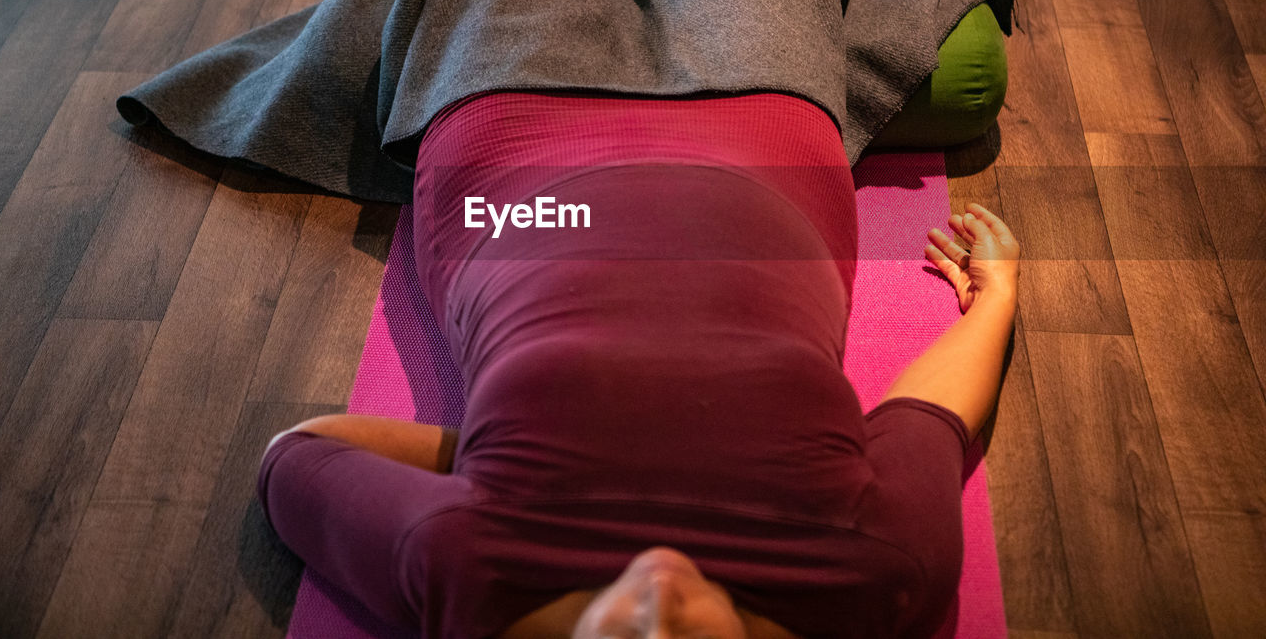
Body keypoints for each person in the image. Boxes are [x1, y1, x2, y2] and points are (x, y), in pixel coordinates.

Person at [257, 88, 1021, 639]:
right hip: (766, 149)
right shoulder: (879, 576)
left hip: (521, 173)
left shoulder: (466, 572)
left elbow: (298, 456)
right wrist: (997, 295)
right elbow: (930, 419)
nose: (661, 605)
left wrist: (491, 458)